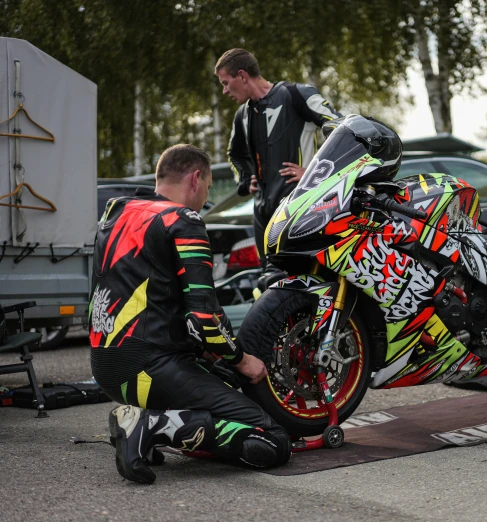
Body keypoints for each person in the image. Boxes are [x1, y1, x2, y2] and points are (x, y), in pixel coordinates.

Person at [89, 144, 291, 484]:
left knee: (215, 382)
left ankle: (148, 420)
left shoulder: (117, 212)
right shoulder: (182, 220)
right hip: (150, 365)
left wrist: (208, 356)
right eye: (209, 188)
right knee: (272, 438)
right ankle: (151, 426)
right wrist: (242, 360)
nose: (205, 197)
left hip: (106, 366)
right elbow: (205, 317)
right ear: (196, 179)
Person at [214, 48, 342, 266]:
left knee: (311, 280)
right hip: (262, 218)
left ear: (242, 76)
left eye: (225, 83)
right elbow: (234, 155)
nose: (225, 91)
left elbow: (340, 128)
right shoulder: (242, 115)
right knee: (269, 284)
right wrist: (246, 180)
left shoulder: (296, 94)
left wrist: (314, 173)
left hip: (301, 210)